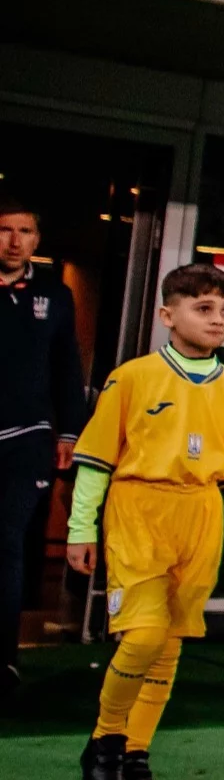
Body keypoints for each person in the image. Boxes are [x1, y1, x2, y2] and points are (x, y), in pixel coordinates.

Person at [67, 265, 224, 780]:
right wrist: (79, 528)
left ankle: (137, 752)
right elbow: (95, 460)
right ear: (167, 315)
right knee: (143, 634)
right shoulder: (131, 377)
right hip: (139, 508)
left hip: (200, 514)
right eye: (203, 308)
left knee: (171, 642)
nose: (218, 319)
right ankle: (105, 739)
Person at [0, 199, 87, 698]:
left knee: (7, 543)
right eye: (6, 230)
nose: (14, 240)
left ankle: (5, 660)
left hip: (27, 436)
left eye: (25, 231)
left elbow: (66, 367)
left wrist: (69, 433)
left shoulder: (55, 296)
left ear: (37, 240)